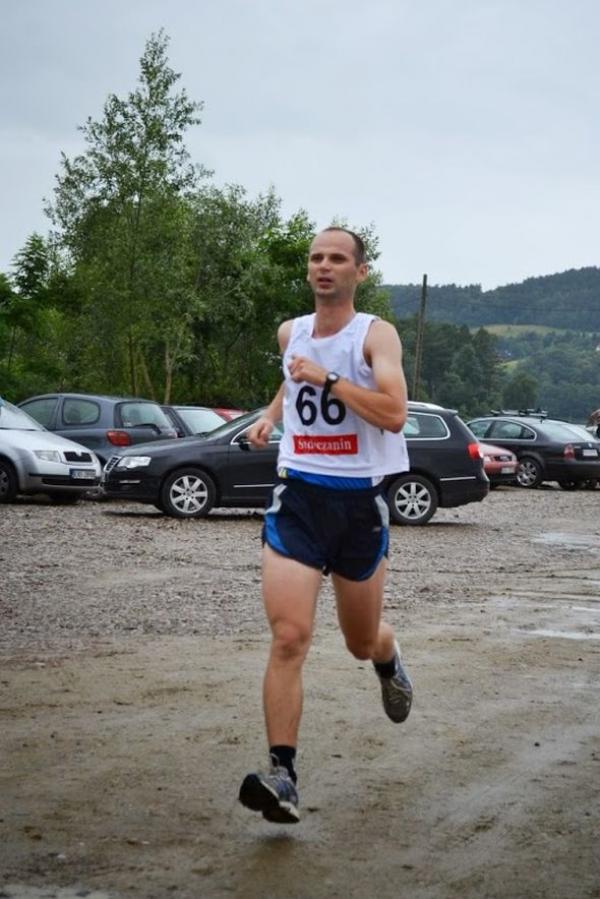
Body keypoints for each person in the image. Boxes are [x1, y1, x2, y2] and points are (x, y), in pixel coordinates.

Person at [238, 227, 413, 824]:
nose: (324, 266)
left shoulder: (375, 335)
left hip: (359, 504)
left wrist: (330, 380)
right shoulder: (291, 332)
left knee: (360, 642)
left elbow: (394, 413)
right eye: (316, 257)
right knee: (290, 636)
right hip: (299, 498)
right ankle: (282, 775)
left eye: (337, 258)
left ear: (359, 272)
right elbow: (294, 376)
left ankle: (387, 656)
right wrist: (270, 416)